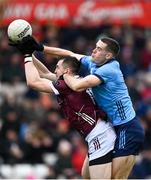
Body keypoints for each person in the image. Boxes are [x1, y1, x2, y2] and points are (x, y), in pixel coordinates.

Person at [10, 36, 144, 179]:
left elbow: (37, 82)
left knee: (117, 178)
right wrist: (36, 49)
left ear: (108, 55)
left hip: (124, 129)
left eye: (99, 49)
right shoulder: (89, 66)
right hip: (108, 128)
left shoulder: (105, 71)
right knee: (86, 176)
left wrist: (26, 56)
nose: (94, 50)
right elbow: (64, 59)